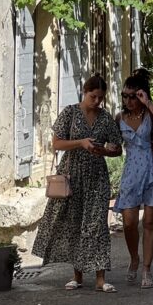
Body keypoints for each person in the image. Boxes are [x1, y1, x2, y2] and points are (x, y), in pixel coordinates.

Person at [33, 73, 122, 293]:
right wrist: (81, 143)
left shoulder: (105, 118)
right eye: (93, 96)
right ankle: (77, 275)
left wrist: (105, 150)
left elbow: (117, 147)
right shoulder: (70, 113)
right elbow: (57, 143)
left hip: (96, 177)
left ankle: (100, 278)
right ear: (85, 92)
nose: (97, 101)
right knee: (75, 224)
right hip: (72, 175)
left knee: (97, 225)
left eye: (100, 97)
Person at [113, 69, 153, 289]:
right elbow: (113, 146)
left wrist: (147, 103)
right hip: (131, 173)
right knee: (129, 222)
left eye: (133, 96)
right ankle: (134, 258)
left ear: (141, 95)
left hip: (151, 172)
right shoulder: (119, 118)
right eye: (125, 96)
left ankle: (147, 268)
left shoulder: (150, 114)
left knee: (150, 222)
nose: (129, 101)